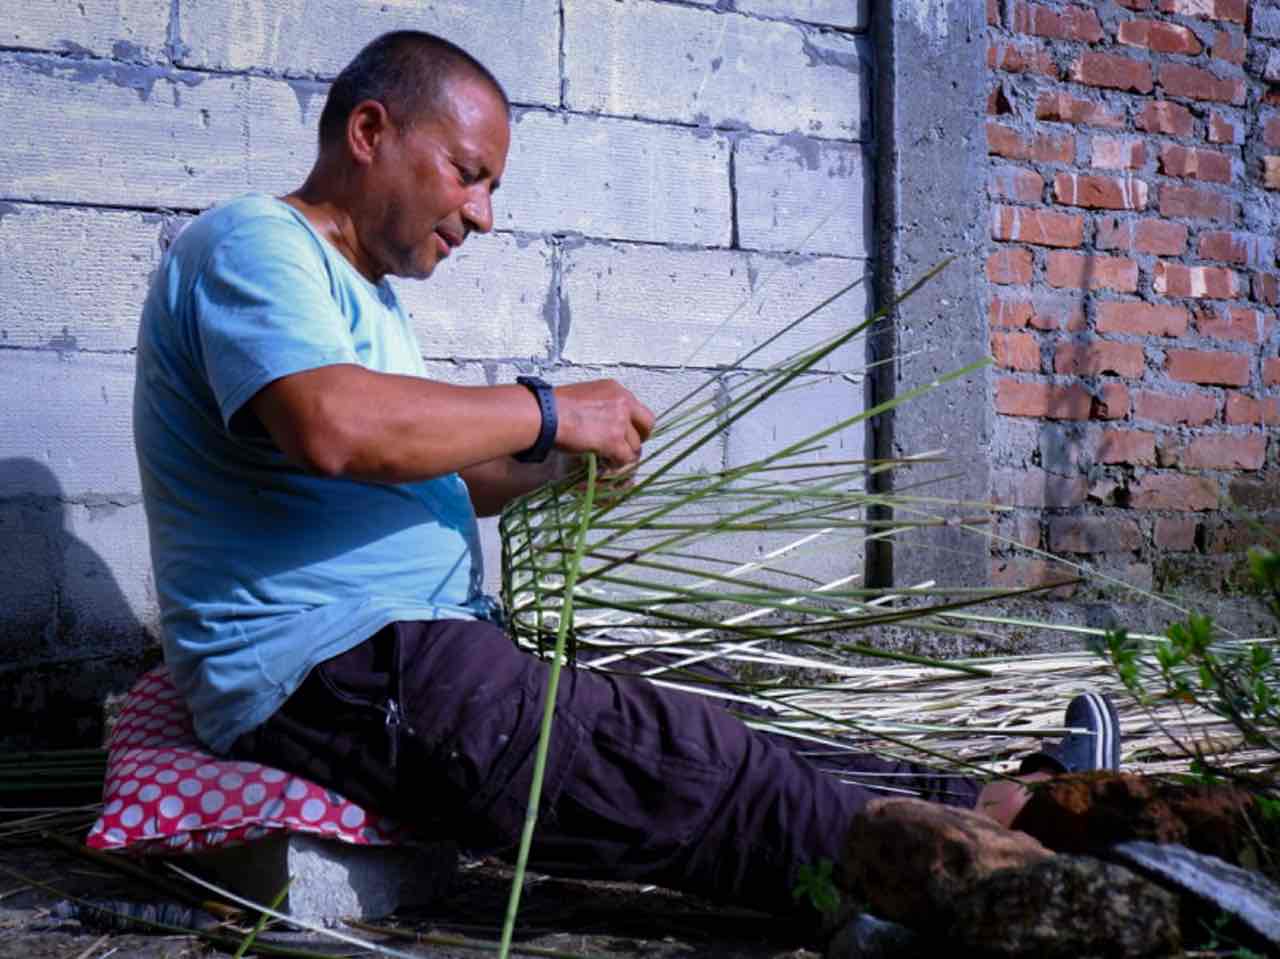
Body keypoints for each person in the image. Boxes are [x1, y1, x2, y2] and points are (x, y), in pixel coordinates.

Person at [133, 30, 1119, 919]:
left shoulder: (366, 299)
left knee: (719, 698)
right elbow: (335, 428)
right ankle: (950, 880)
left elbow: (433, 471)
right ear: (369, 131)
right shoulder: (254, 243)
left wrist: (556, 468)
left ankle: (998, 802)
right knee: (686, 759)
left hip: (406, 650)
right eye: (467, 174)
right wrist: (550, 406)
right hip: (330, 669)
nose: (478, 215)